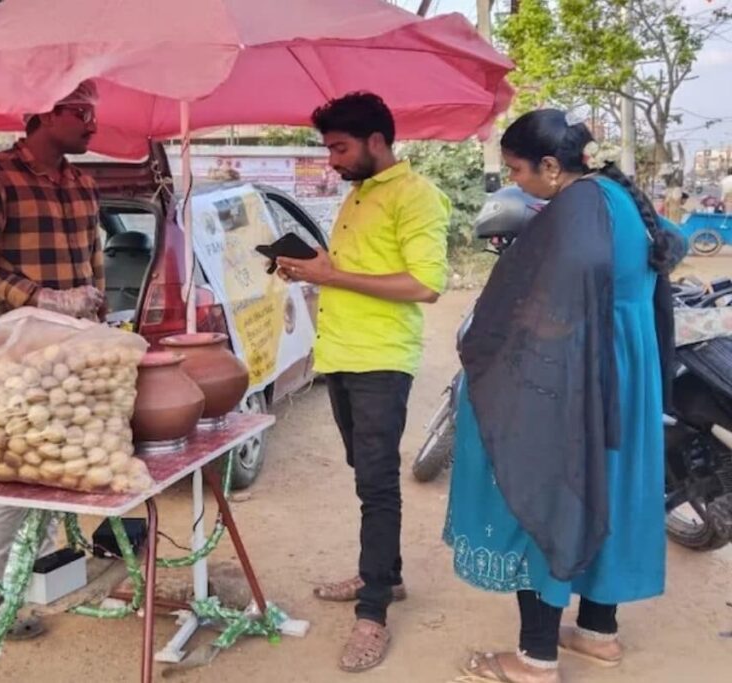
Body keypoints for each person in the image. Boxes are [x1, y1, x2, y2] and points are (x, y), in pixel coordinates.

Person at [444, 109, 680, 683]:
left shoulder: (574, 212)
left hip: (581, 375)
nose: (515, 182)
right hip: (626, 371)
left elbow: (549, 307)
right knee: (608, 491)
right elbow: (661, 252)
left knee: (545, 492)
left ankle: (535, 659)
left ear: (551, 166)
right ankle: (598, 635)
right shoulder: (617, 195)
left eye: (517, 170)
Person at [277, 92, 450, 673]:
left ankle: (373, 611)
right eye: (329, 148)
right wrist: (311, 269)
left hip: (381, 360)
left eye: (340, 147)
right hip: (341, 355)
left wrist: (334, 273)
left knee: (377, 483)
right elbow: (353, 272)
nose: (332, 159)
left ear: (377, 141)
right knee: (363, 470)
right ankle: (389, 573)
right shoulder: (358, 192)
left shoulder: (416, 195)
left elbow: (426, 285)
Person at [0, 80, 105, 639]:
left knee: (51, 470)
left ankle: (34, 577)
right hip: (10, 350)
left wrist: (95, 314)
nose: (93, 123)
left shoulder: (82, 182)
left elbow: (93, 264)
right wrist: (41, 296)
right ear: (43, 113)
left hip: (69, 357)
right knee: (13, 476)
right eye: (82, 112)